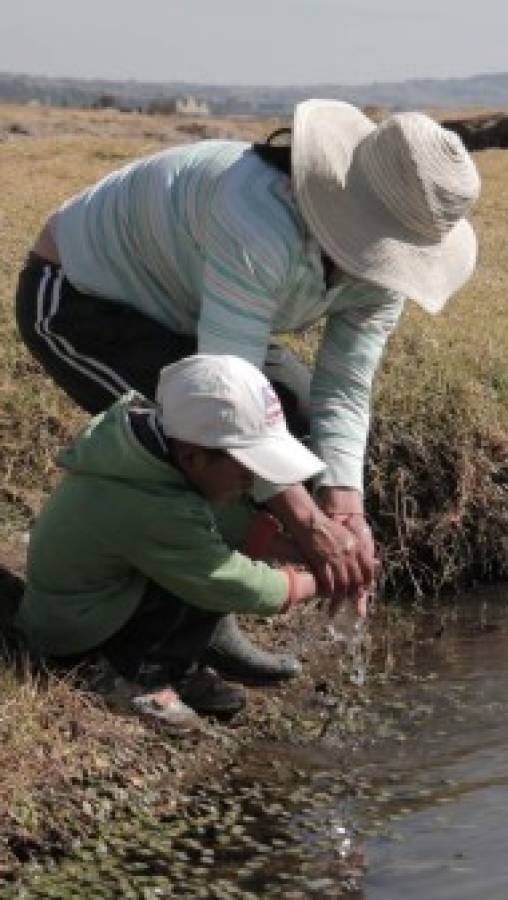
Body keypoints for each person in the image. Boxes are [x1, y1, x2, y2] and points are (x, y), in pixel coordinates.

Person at [14, 100, 481, 680]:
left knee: (295, 414)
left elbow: (344, 387)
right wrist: (309, 529)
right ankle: (148, 654)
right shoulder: (257, 217)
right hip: (85, 299)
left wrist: (343, 507)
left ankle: (203, 620)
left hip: (194, 315)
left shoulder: (388, 265)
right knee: (195, 452)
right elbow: (223, 418)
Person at [15, 355, 339, 727]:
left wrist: (281, 546)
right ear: (194, 457)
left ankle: (188, 661)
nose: (254, 481)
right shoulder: (150, 505)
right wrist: (313, 581)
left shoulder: (157, 455)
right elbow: (229, 582)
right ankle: (130, 676)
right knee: (201, 575)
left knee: (195, 560)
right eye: (246, 469)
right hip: (78, 628)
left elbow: (217, 514)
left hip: (110, 592)